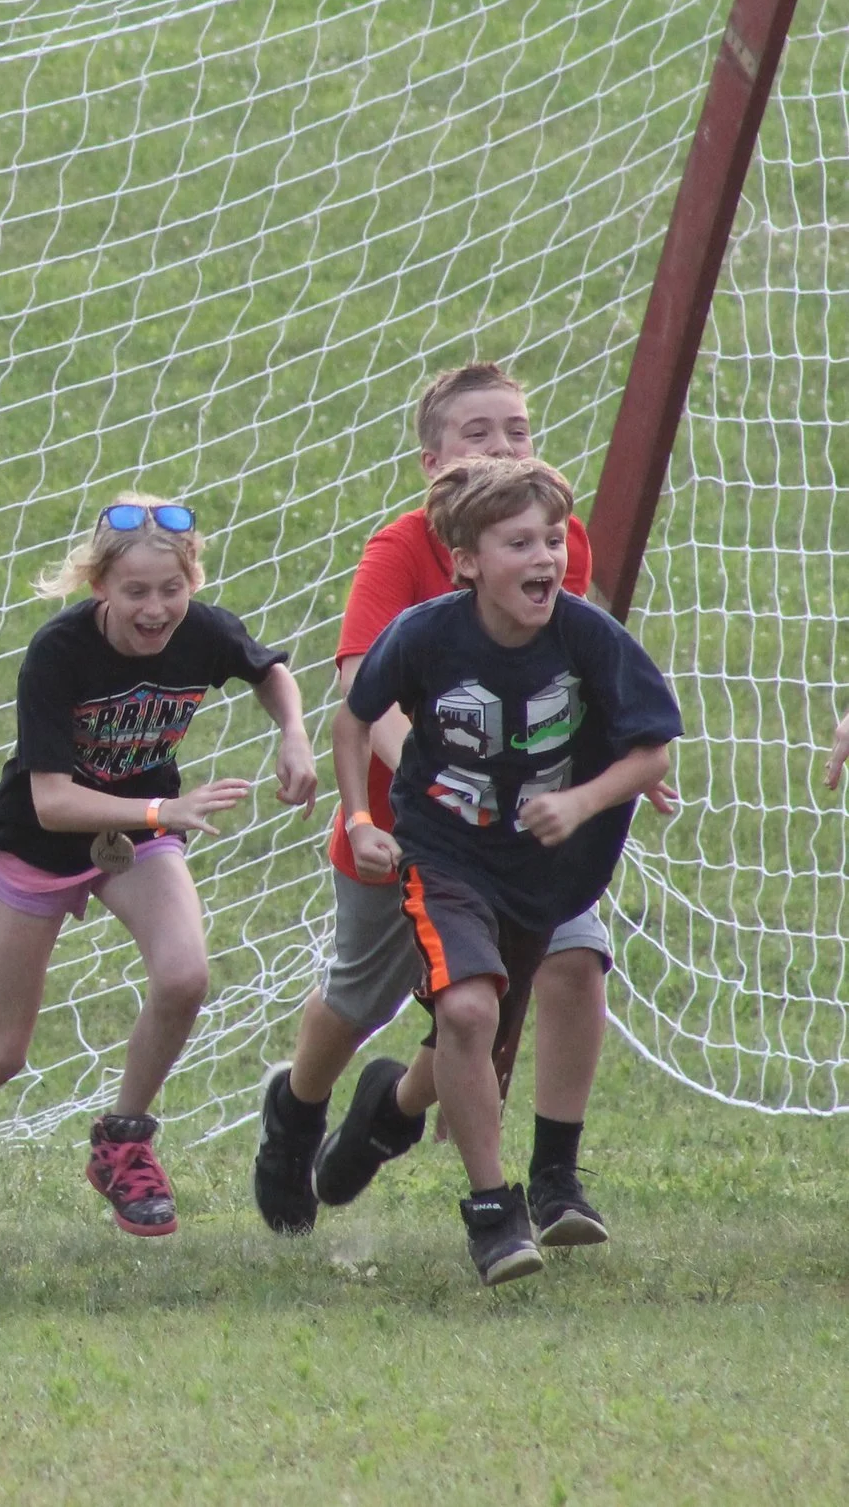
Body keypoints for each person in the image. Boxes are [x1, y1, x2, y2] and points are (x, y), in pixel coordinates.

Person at [253, 363, 671, 1242]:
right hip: (410, 827)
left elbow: (576, 663)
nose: (502, 447)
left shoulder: (550, 537)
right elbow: (361, 691)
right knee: (360, 998)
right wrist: (438, 777)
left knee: (572, 963)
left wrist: (622, 760)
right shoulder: (401, 550)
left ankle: (554, 1180)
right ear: (431, 460)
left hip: (532, 827)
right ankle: (301, 1111)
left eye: (517, 431)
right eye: (477, 434)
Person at [0, 494, 313, 1272]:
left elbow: (269, 671)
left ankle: (123, 1142)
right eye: (135, 591)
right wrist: (165, 806)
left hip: (138, 834)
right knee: (1, 1049)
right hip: (39, 845)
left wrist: (293, 735)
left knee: (185, 973)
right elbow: (51, 800)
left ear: (192, 578)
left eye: (172, 588)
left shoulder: (202, 627)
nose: (157, 608)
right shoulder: (59, 652)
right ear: (99, 585)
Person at [336, 456, 679, 1284]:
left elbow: (653, 747)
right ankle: (495, 1211)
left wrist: (584, 801)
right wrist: (357, 816)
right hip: (446, 855)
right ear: (467, 560)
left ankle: (543, 1168)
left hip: (552, 870)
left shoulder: (588, 635)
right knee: (465, 1009)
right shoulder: (424, 634)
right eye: (519, 541)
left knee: (557, 984)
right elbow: (353, 718)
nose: (544, 559)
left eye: (553, 540)